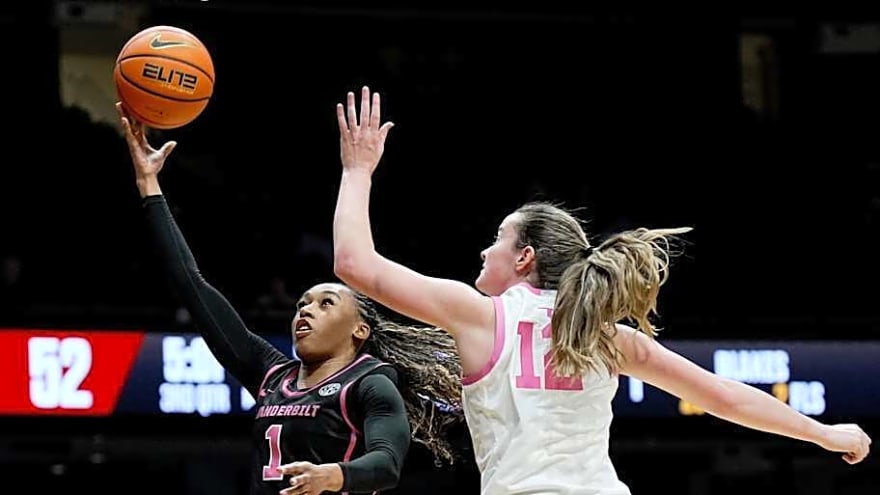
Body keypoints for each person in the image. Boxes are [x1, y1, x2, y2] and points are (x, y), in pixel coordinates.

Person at [330, 87, 873, 494]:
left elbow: (354, 264)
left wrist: (358, 170)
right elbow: (724, 396)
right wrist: (823, 435)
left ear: (525, 258)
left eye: (497, 239)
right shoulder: (608, 338)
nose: (483, 251)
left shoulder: (481, 317)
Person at [115, 102, 463, 495]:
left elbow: (386, 463)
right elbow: (192, 286)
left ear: (359, 330)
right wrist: (149, 185)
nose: (306, 311)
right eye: (302, 304)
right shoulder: (270, 375)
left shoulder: (370, 383)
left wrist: (334, 475)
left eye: (325, 303)